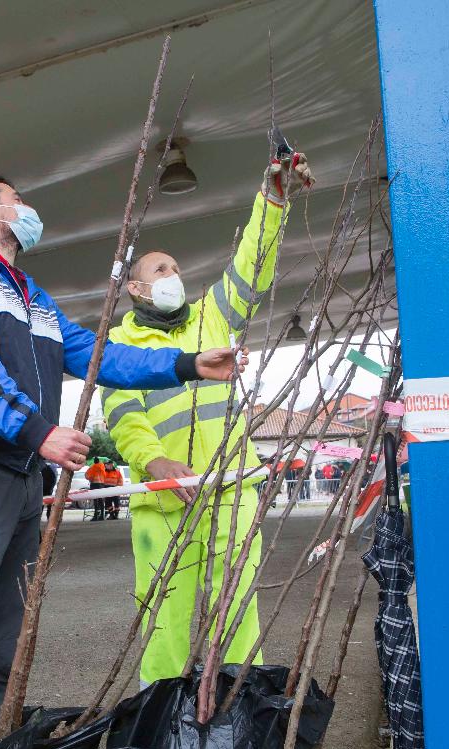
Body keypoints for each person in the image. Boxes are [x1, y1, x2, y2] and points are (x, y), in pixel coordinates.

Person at [0, 170, 242, 749]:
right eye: (17, 200)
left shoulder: (31, 295)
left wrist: (186, 364)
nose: (28, 210)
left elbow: (98, 354)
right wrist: (38, 429)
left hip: (21, 477)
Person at [101, 152, 312, 687]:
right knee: (164, 624)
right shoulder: (121, 347)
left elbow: (251, 263)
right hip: (163, 503)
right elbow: (124, 414)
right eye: (160, 270)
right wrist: (154, 462)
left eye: (175, 267)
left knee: (236, 614)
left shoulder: (212, 316)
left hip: (231, 490)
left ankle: (240, 709)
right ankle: (162, 715)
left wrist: (273, 198)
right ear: (136, 288)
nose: (174, 275)